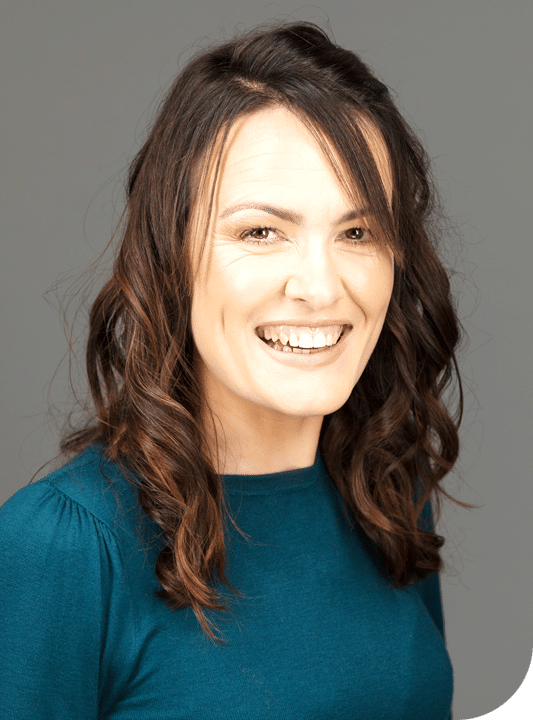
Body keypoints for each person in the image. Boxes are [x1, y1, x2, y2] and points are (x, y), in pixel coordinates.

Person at [0, 20, 476, 719]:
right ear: (173, 257)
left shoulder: (388, 495)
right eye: (260, 232)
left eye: (357, 231)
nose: (319, 285)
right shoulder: (65, 547)